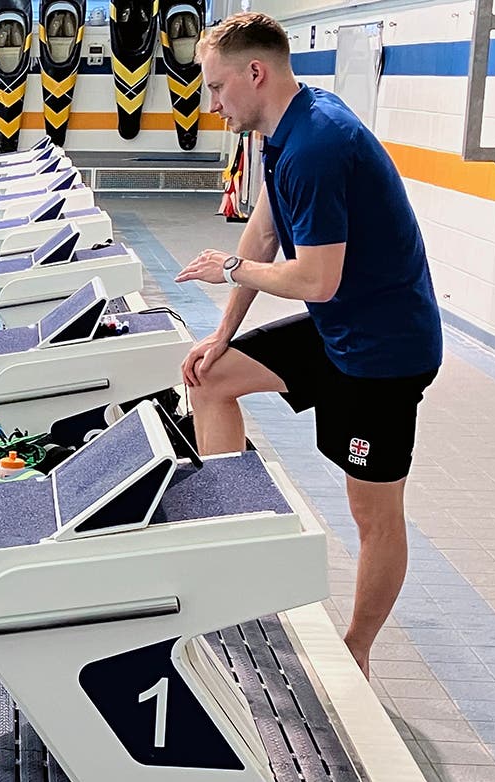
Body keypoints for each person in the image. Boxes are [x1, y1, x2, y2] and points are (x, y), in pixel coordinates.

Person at [174, 12, 441, 678]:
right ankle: (238, 547)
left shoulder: (319, 145)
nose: (213, 104)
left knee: (372, 513)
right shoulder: (284, 130)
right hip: (338, 329)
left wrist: (229, 269)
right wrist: (221, 334)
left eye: (217, 87)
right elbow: (264, 236)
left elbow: (317, 280)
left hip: (383, 354)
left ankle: (358, 649)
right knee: (211, 377)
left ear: (255, 73)